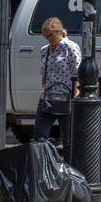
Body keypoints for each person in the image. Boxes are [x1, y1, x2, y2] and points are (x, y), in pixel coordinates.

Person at [36, 17, 80, 158]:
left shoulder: (70, 47)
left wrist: (76, 92)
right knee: (39, 137)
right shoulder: (44, 50)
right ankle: (43, 168)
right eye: (47, 36)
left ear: (60, 32)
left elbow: (77, 72)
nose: (49, 38)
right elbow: (44, 74)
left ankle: (69, 170)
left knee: (69, 140)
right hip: (48, 96)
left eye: (52, 35)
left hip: (66, 96)